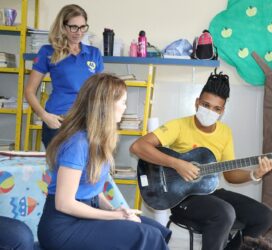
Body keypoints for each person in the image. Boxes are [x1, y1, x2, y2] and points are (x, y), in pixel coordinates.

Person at [130, 71, 272, 250]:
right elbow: (138, 147)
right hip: (180, 197)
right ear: (197, 102)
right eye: (206, 105)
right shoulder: (179, 125)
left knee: (264, 215)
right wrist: (177, 164)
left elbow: (230, 174)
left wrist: (254, 174)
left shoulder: (225, 133)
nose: (210, 111)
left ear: (222, 111)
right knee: (224, 213)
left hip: (210, 192)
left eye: (216, 108)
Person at [37, 73, 171, 250]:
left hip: (84, 216)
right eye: (123, 102)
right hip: (62, 228)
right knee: (147, 235)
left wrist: (115, 211)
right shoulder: (77, 144)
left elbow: (94, 192)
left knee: (157, 230)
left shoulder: (96, 141)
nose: (125, 108)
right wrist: (116, 217)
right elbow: (64, 204)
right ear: (106, 105)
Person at [25, 4, 104, 148]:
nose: (78, 32)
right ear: (63, 26)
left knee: (84, 168)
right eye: (73, 27)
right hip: (58, 121)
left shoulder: (94, 54)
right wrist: (44, 116)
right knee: (56, 169)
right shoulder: (48, 52)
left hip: (86, 122)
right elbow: (29, 91)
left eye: (82, 27)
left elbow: (100, 92)